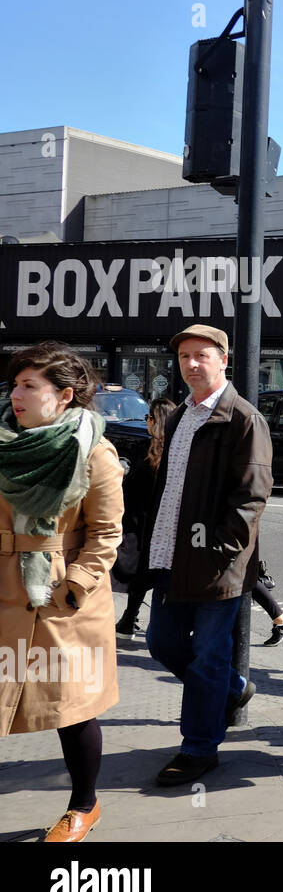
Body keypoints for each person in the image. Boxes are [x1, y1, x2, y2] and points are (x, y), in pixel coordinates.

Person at [0, 343, 124, 841]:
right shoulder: (4, 443)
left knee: (70, 707)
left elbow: (107, 534)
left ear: (65, 395)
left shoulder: (93, 451)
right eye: (15, 384)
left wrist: (74, 586)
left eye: (30, 385)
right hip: (5, 585)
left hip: (59, 598)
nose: (16, 394)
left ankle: (83, 806)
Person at [141, 324, 272, 786]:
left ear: (223, 359)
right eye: (184, 358)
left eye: (201, 355)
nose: (191, 364)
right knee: (162, 643)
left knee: (206, 659)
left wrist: (219, 548)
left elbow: (251, 499)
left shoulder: (243, 419)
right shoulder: (178, 417)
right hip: (170, 557)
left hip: (217, 565)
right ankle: (234, 690)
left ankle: (198, 749)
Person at [115, 397, 176, 637]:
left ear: (155, 421)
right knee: (144, 576)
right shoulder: (166, 450)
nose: (146, 422)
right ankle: (130, 619)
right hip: (148, 523)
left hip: (146, 524)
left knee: (144, 575)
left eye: (148, 418)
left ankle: (131, 621)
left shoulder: (149, 450)